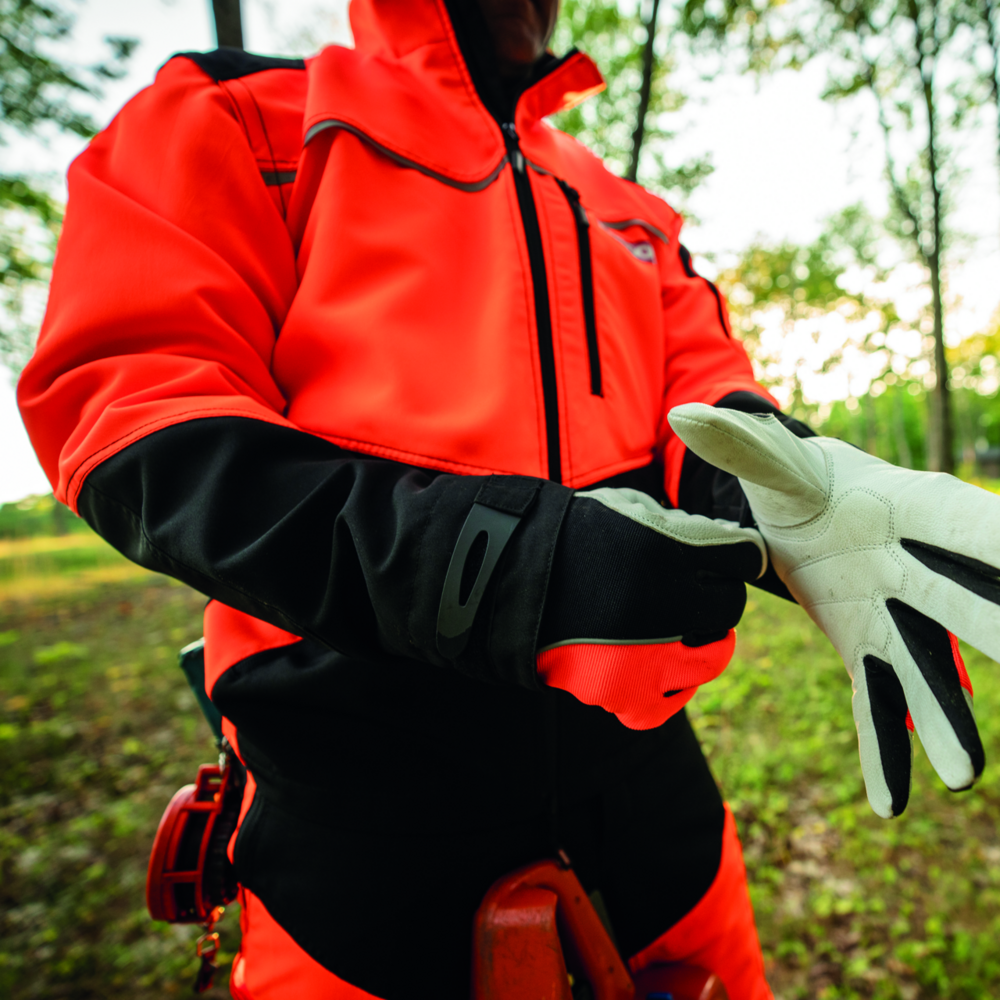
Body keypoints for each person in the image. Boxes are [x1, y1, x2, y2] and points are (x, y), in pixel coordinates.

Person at [20, 0, 998, 997]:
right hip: (357, 848)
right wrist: (512, 570)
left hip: (658, 815)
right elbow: (137, 412)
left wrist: (800, 486)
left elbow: (705, 405)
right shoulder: (238, 116)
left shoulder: (627, 206)